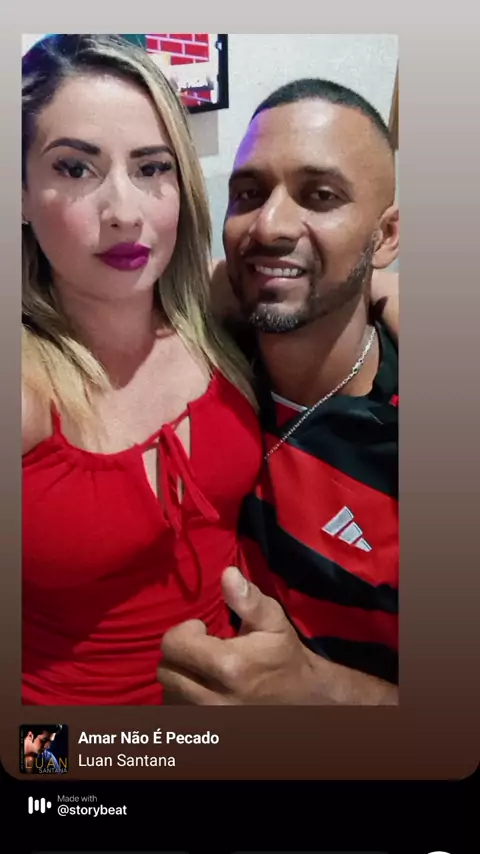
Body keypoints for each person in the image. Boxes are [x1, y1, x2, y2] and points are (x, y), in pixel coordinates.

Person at [22, 33, 263, 706]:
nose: (124, 213)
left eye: (152, 167)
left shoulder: (210, 310)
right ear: (20, 194)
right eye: (75, 169)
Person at [158, 79, 400, 704]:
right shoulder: (201, 357)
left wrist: (317, 691)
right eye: (249, 193)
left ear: (387, 236)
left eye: (320, 196)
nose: (268, 225)